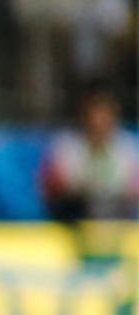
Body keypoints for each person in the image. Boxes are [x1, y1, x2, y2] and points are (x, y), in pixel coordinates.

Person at [40, 85, 139, 223]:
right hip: (74, 216)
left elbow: (133, 191)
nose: (98, 122)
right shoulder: (65, 145)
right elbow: (54, 189)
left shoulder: (128, 146)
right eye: (94, 116)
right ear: (84, 117)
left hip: (119, 217)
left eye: (104, 116)